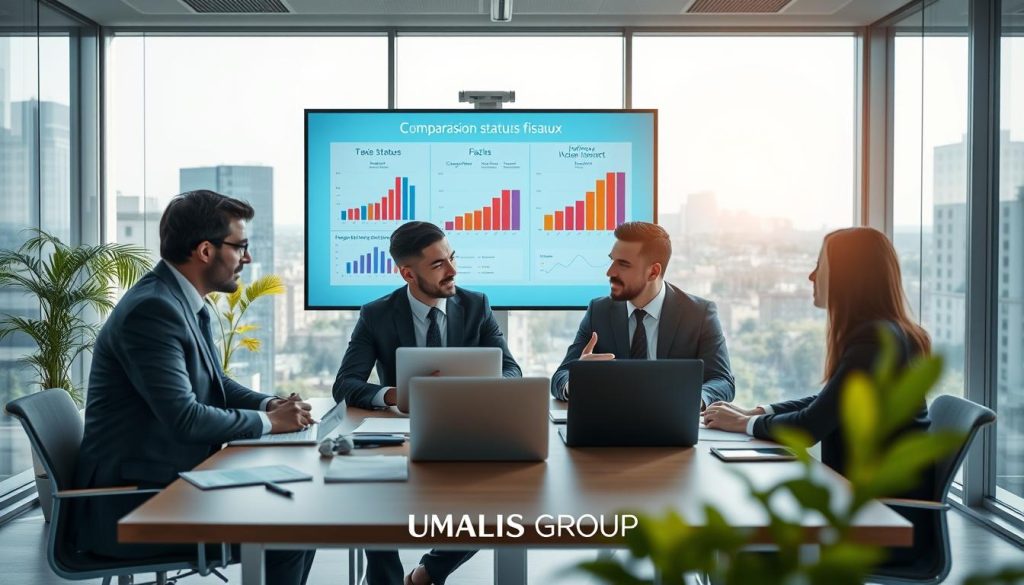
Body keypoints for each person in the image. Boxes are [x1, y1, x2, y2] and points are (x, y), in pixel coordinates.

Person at [73, 190, 315, 584]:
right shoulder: (154, 310)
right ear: (205, 250)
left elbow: (215, 382)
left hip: (167, 483)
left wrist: (271, 405)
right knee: (292, 526)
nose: (247, 259)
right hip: (134, 505)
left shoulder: (180, 301)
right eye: (241, 247)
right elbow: (184, 417)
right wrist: (270, 423)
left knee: (299, 512)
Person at [333, 220, 521, 585]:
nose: (453, 270)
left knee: (498, 505)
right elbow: (345, 385)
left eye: (451, 258)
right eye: (438, 265)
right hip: (402, 434)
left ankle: (426, 573)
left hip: (468, 430)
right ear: (408, 273)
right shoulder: (377, 314)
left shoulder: (476, 305)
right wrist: (394, 396)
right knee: (373, 496)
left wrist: (475, 388)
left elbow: (511, 370)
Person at [702, 226, 931, 477]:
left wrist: (743, 424)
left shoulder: (874, 341)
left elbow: (810, 427)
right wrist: (756, 412)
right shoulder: (889, 333)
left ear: (847, 275)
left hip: (881, 503)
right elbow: (829, 402)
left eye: (820, 265)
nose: (812, 276)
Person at [551, 221, 734, 408]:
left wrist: (693, 400)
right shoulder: (599, 311)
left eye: (623, 264)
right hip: (610, 426)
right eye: (612, 260)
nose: (610, 272)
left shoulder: (699, 314)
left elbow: (723, 381)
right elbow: (560, 377)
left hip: (673, 425)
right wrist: (577, 379)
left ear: (653, 272)